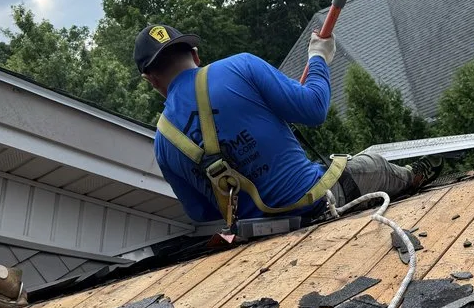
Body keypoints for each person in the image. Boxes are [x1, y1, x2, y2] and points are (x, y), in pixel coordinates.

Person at [134, 24, 440, 225]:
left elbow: (201, 214)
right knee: (375, 165)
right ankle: (414, 177)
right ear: (195, 55)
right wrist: (319, 57)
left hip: (259, 237)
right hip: (317, 202)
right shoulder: (241, 66)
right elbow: (314, 109)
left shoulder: (163, 142)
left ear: (151, 80)